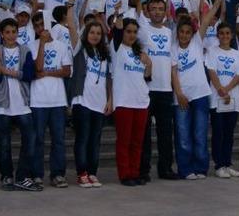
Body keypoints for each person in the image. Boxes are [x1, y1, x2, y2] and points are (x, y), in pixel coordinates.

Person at [171, 0, 222, 180]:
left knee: (200, 134)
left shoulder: (196, 43)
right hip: (182, 97)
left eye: (187, 32)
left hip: (200, 95)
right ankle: (185, 169)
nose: (185, 35)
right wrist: (179, 94)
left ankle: (201, 168)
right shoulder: (173, 48)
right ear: (177, 33)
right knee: (183, 136)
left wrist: (216, 3)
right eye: (181, 32)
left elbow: (207, 19)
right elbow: (174, 72)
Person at [0, 18, 40, 192]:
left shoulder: (25, 51)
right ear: (2, 34)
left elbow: (29, 75)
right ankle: (7, 176)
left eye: (14, 32)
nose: (11, 35)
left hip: (22, 103)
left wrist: (7, 71)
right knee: (4, 144)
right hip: (1, 104)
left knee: (30, 140)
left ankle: (23, 176)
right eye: (7, 32)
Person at [134, 0, 177, 181]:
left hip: (166, 89)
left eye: (161, 8)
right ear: (148, 11)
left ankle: (165, 169)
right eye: (154, 8)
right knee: (144, 134)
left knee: (165, 133)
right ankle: (143, 171)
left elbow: (173, 64)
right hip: (146, 88)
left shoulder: (169, 32)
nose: (158, 11)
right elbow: (137, 2)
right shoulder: (142, 28)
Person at [109, 13, 153, 186]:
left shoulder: (140, 53)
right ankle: (125, 174)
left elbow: (147, 78)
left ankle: (135, 172)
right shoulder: (118, 49)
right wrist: (119, 12)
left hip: (141, 102)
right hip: (124, 102)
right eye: (128, 31)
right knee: (124, 141)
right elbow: (117, 32)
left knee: (137, 141)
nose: (132, 35)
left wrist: (149, 65)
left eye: (135, 31)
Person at [30, 23, 73, 189]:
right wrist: (41, 43)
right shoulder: (31, 46)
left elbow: (66, 71)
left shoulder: (61, 46)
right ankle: (37, 174)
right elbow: (37, 67)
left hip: (57, 100)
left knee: (59, 140)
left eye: (44, 25)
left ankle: (58, 174)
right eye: (38, 26)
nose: (41, 29)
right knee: (38, 139)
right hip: (38, 100)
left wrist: (47, 73)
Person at [70, 21, 112, 188]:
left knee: (95, 140)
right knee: (83, 138)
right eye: (92, 32)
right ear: (86, 34)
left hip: (100, 103)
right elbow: (72, 28)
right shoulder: (80, 51)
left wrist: (110, 100)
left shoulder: (104, 54)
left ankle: (92, 172)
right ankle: (82, 173)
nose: (95, 35)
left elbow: (108, 79)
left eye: (98, 33)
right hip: (83, 102)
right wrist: (71, 6)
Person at [206, 22, 239, 178]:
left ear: (232, 35)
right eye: (221, 33)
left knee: (229, 133)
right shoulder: (212, 51)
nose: (225, 36)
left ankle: (228, 164)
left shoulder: (237, 54)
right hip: (217, 99)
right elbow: (212, 72)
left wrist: (227, 90)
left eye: (227, 33)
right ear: (218, 35)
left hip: (232, 99)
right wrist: (221, 91)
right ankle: (219, 165)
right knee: (218, 132)